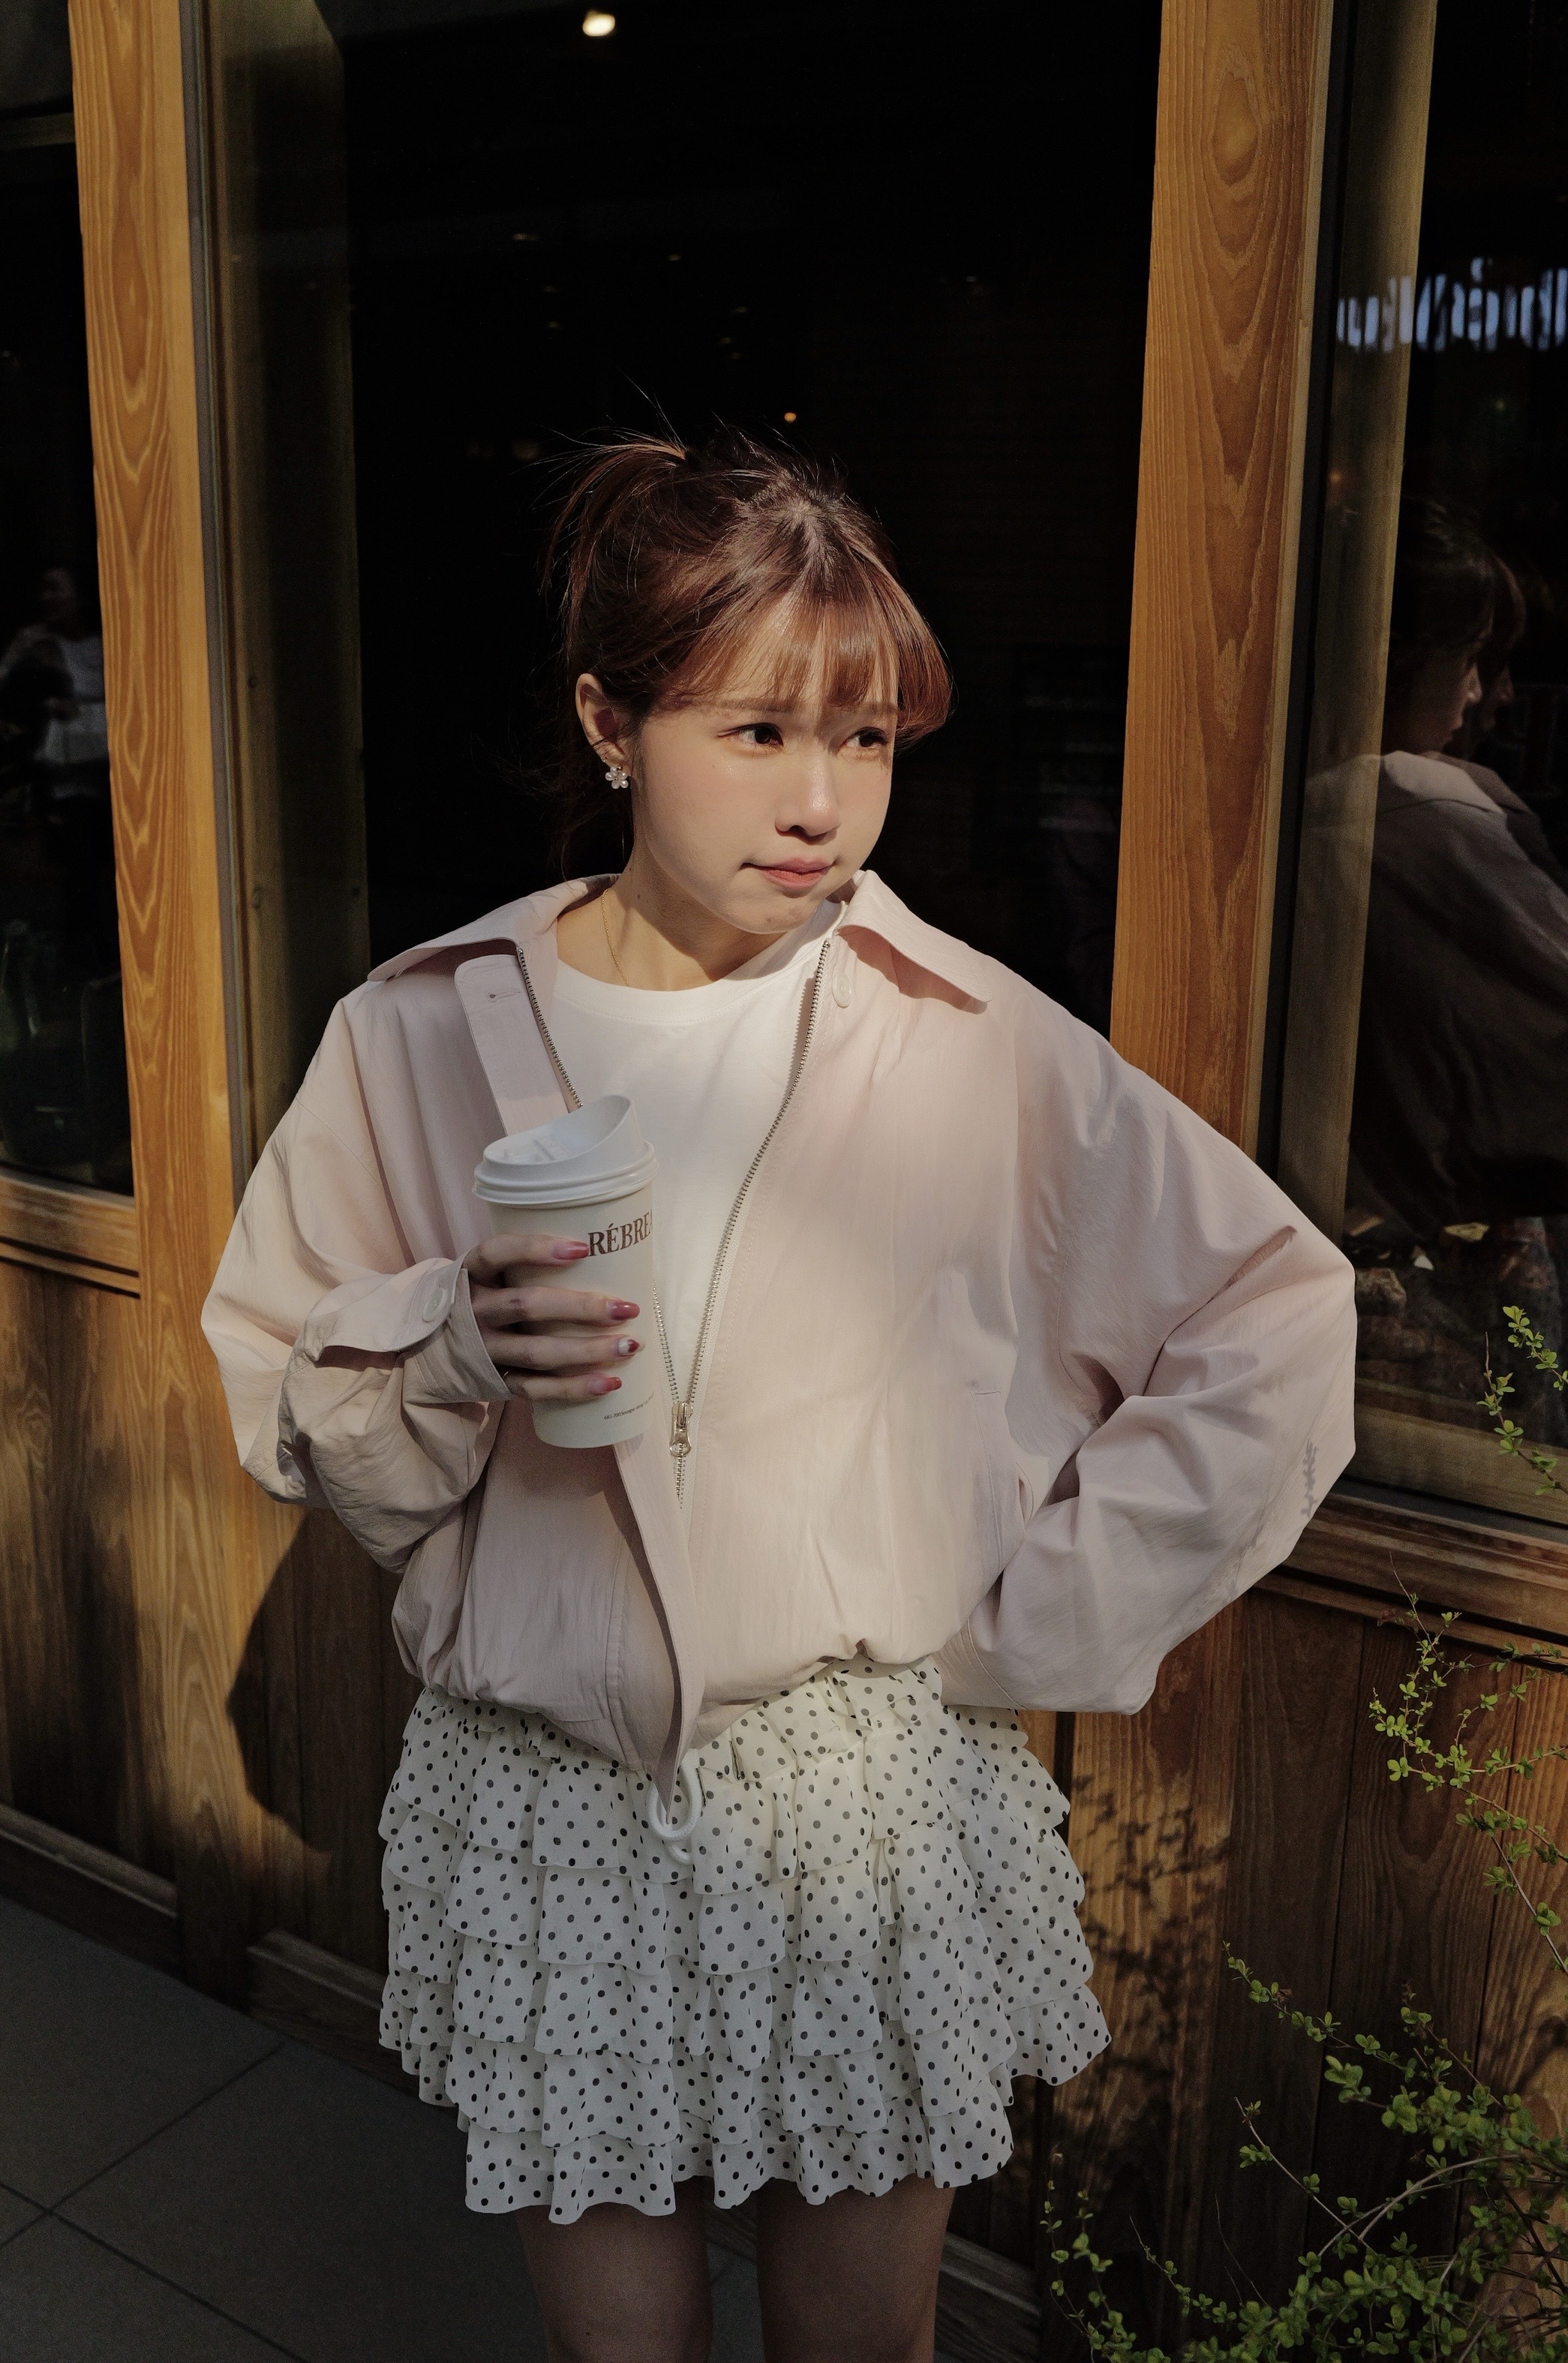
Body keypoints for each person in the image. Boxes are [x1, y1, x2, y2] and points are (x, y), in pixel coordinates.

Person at [203, 433, 1355, 2363]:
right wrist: (460, 1341)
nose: (824, 803)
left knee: (859, 2351)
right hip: (549, 1799)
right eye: (755, 733)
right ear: (609, 721)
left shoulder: (963, 1035)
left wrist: (1022, 1628)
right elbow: (284, 1388)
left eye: (869, 739)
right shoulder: (417, 1029)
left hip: (856, 1800)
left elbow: (1273, 1311)